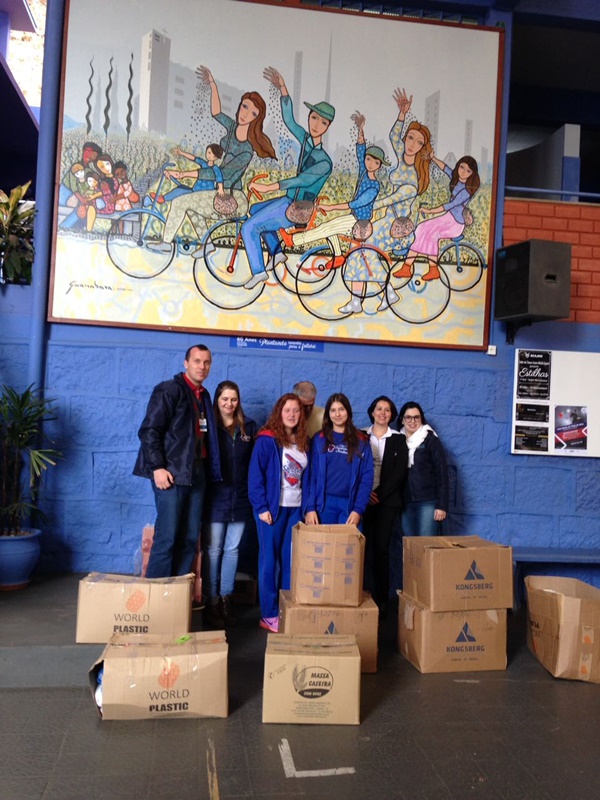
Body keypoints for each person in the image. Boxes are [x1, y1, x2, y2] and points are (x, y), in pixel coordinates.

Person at [156, 67, 275, 256]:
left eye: (253, 113)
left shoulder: (246, 150)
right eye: (244, 107)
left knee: (180, 202)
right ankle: (207, 245)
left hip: (233, 199)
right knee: (190, 204)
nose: (245, 114)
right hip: (219, 192)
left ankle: (165, 244)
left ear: (256, 119)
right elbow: (216, 112)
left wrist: (184, 174)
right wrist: (212, 84)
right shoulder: (233, 128)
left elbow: (223, 175)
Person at [241, 66, 335, 290]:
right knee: (254, 209)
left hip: (297, 209)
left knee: (249, 228)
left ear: (328, 127)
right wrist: (283, 89)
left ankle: (258, 272)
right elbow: (290, 121)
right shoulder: (306, 141)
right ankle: (276, 253)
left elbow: (302, 180)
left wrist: (268, 187)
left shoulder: (325, 161)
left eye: (323, 122)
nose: (316, 125)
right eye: (314, 118)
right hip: (287, 200)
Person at [133, 345, 221, 578]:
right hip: (171, 474)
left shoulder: (203, 395)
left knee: (190, 538)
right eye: (197, 361)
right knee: (167, 538)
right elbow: (149, 431)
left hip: (196, 474)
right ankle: (157, 594)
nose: (202, 367)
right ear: (186, 363)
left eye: (206, 362)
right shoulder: (169, 390)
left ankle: (178, 592)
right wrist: (157, 468)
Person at [248, 393, 310, 632]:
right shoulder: (267, 439)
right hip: (272, 510)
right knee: (268, 562)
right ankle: (269, 613)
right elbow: (255, 476)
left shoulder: (304, 441)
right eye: (287, 410)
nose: (292, 415)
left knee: (290, 561)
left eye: (296, 410)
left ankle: (286, 609)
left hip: (296, 510)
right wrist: (261, 508)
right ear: (279, 413)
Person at [202, 380, 257, 628]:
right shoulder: (208, 426)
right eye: (224, 399)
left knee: (232, 549)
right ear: (217, 400)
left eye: (233, 399)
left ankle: (226, 598)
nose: (229, 403)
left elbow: (255, 463)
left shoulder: (248, 427)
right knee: (213, 550)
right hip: (215, 496)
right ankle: (211, 600)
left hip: (240, 496)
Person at [394, 154, 480, 281]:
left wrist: (429, 211)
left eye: (468, 171)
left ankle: (433, 269)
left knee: (432, 233)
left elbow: (450, 205)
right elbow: (445, 168)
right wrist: (433, 158)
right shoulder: (456, 178)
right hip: (448, 218)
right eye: (462, 167)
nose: (463, 172)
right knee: (421, 228)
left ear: (472, 174)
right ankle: (407, 267)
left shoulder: (466, 191)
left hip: (455, 223)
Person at [370, 88, 432, 259]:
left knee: (367, 245)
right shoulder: (403, 155)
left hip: (397, 227)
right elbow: (393, 135)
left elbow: (392, 199)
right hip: (389, 218)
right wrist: (402, 114)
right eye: (410, 138)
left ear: (422, 148)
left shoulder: (413, 179)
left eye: (419, 142)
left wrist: (369, 205)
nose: (412, 145)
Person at [362, 396, 408, 617]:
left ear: (392, 415)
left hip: (386, 502)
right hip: (362, 501)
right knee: (360, 549)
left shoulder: (398, 439)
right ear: (372, 412)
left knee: (381, 550)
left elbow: (399, 473)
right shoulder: (361, 435)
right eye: (379, 409)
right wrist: (365, 494)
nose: (382, 413)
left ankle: (382, 600)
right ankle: (359, 594)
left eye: (387, 410)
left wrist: (378, 494)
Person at [305, 393, 373, 528]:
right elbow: (311, 476)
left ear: (348, 411)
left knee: (350, 542)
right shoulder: (319, 439)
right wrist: (310, 507)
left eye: (341, 409)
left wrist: (358, 509)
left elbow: (367, 478)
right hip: (323, 504)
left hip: (350, 505)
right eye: (333, 410)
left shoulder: (361, 441)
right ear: (328, 414)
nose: (337, 414)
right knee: (322, 542)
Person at [398, 401, 448, 536]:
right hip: (405, 503)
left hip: (428, 502)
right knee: (409, 544)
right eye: (408, 417)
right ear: (402, 420)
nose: (412, 421)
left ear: (421, 419)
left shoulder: (430, 439)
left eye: (416, 417)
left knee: (425, 544)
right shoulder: (398, 441)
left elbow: (442, 472)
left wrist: (442, 505)